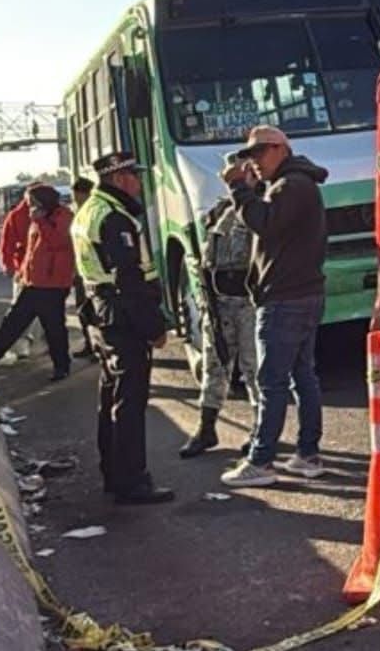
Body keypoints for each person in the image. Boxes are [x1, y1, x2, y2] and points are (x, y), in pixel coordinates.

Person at [218, 125, 328, 488]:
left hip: (286, 298)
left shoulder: (292, 186)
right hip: (303, 293)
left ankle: (262, 460)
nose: (255, 161)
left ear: (281, 148)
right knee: (302, 376)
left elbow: (266, 223)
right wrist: (252, 189)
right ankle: (307, 454)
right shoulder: (295, 183)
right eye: (250, 155)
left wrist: (238, 188)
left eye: (261, 152)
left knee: (273, 382)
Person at [72, 151, 173, 506]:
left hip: (100, 313)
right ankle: (132, 481)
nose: (139, 181)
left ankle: (114, 474)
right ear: (118, 179)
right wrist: (154, 327)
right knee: (129, 401)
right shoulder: (114, 218)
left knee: (111, 396)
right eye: (133, 175)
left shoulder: (88, 212)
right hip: (123, 316)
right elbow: (129, 280)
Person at [0, 184, 73, 379]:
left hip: (52, 284)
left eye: (32, 202)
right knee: (13, 322)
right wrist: (23, 273)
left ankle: (62, 366)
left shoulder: (62, 217)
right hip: (34, 282)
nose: (28, 206)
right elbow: (31, 251)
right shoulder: (30, 218)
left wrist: (41, 222)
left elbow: (58, 242)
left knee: (53, 328)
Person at [179, 196, 257, 457]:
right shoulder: (219, 210)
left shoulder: (258, 208)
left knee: (253, 367)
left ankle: (262, 428)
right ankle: (206, 427)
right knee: (214, 365)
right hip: (218, 302)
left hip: (248, 302)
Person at [0, 185, 36, 357]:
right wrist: (9, 266)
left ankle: (30, 340)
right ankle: (22, 343)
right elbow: (7, 245)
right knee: (19, 310)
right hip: (24, 272)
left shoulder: (54, 214)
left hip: (45, 274)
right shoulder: (16, 217)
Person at [71, 177, 96, 359]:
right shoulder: (77, 213)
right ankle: (90, 344)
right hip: (82, 272)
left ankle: (98, 346)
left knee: (93, 312)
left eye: (77, 195)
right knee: (84, 311)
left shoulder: (93, 213)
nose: (75, 199)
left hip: (95, 274)